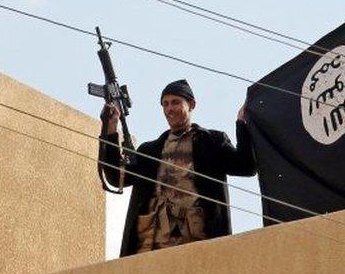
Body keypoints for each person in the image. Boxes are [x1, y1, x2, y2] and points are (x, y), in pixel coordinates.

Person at [99, 79, 256, 257]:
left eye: (175, 102)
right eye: (165, 104)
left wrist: (242, 124)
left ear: (191, 104)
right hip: (151, 244)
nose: (169, 109)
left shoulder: (211, 142)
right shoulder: (150, 150)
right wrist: (111, 130)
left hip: (197, 242)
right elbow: (116, 178)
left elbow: (246, 167)